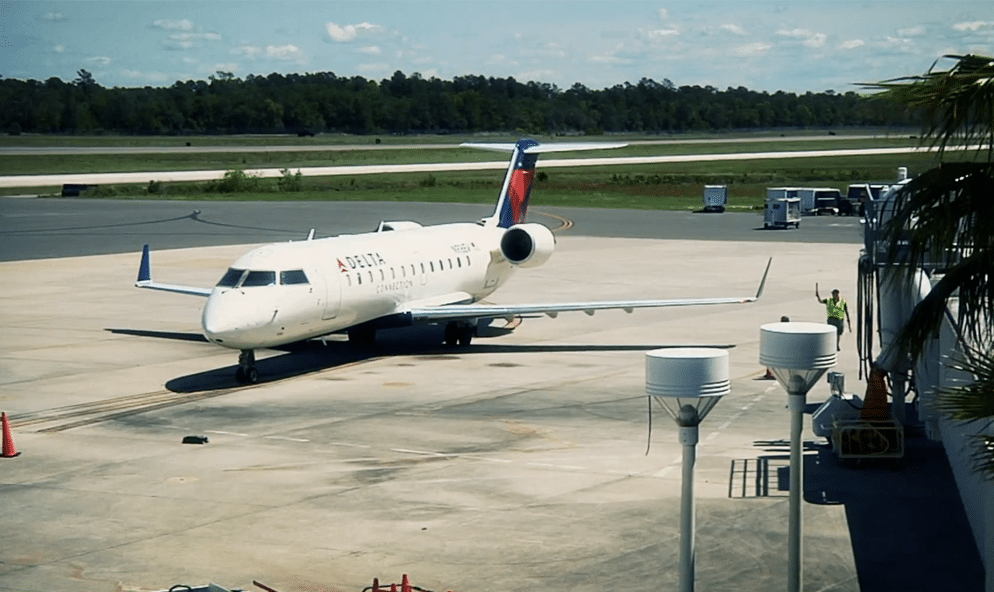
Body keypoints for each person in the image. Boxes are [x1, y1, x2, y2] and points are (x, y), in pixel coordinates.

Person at [816, 284, 851, 351]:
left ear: (837, 294)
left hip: (839, 320)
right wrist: (818, 297)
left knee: (838, 333)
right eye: (833, 294)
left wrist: (848, 320)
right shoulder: (828, 300)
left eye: (835, 294)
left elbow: (846, 311)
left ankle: (837, 345)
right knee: (832, 333)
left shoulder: (842, 302)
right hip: (831, 319)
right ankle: (832, 345)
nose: (833, 295)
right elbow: (821, 301)